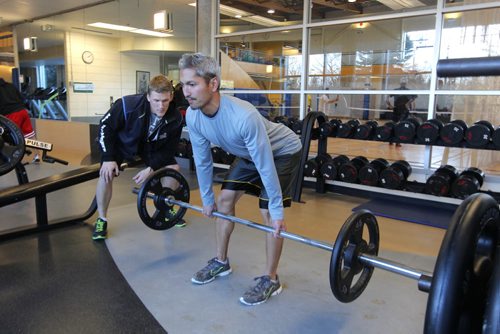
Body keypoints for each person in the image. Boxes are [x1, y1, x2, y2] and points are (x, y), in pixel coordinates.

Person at [178, 53, 302, 306]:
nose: (185, 92)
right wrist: (207, 199)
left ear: (213, 84)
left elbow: (265, 164)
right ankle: (221, 262)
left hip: (282, 151)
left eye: (192, 84)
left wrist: (278, 210)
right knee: (224, 202)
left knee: (268, 212)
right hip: (247, 152)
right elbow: (202, 160)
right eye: (183, 84)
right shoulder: (193, 115)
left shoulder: (243, 116)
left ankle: (271, 278)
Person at [93, 74, 185, 241]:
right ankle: (101, 219)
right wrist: (108, 157)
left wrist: (151, 168)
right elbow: (105, 126)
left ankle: (165, 207)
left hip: (149, 147)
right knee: (106, 174)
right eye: (156, 100)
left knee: (174, 169)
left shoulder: (176, 117)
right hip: (123, 143)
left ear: (171, 96)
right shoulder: (127, 105)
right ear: (148, 96)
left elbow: (169, 150)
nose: (161, 106)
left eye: (165, 100)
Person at [0, 77, 40, 163]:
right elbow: (21, 98)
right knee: (30, 135)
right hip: (23, 111)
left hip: (11, 114)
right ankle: (37, 156)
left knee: (8, 137)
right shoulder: (11, 86)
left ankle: (11, 159)